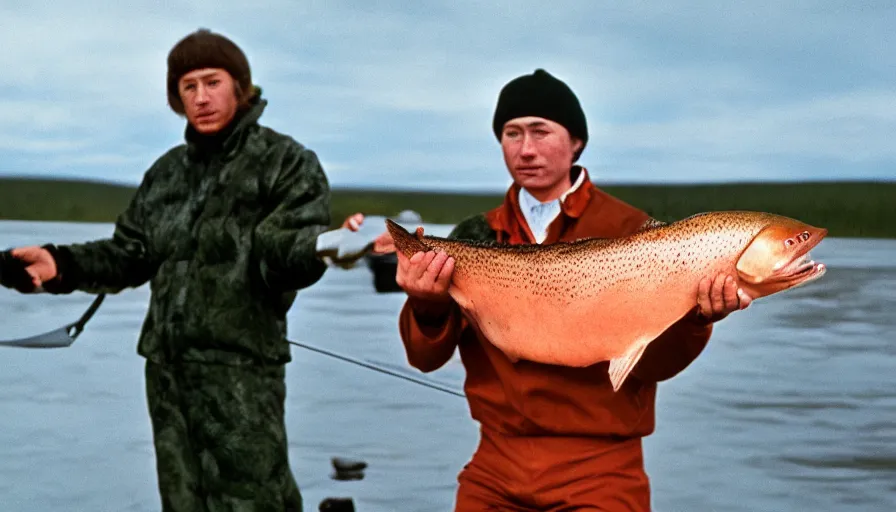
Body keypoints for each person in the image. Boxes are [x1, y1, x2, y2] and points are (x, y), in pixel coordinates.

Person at [0, 29, 360, 512]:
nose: (201, 97)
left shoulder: (285, 162)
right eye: (188, 87)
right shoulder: (166, 174)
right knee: (182, 503)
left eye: (212, 82)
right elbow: (128, 254)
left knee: (257, 502)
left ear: (240, 86)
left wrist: (322, 248)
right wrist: (59, 263)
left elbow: (281, 250)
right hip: (167, 377)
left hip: (241, 374)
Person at [392, 69, 754, 511]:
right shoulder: (474, 236)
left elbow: (656, 365)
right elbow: (425, 359)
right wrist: (425, 305)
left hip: (601, 473)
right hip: (493, 467)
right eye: (512, 133)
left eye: (541, 132)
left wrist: (698, 320)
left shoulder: (635, 233)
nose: (526, 149)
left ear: (577, 141)